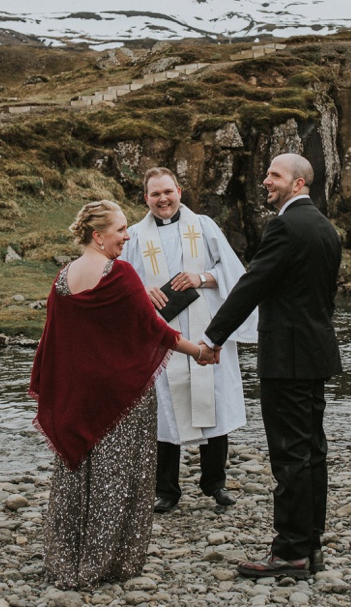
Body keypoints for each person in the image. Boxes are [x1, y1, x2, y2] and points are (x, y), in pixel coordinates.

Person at [29, 200, 210, 590]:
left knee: (76, 475)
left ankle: (65, 559)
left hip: (79, 396)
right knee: (117, 477)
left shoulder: (63, 278)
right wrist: (198, 351)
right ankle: (107, 562)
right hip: (120, 396)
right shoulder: (121, 274)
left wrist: (58, 392)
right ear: (98, 236)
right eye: (122, 230)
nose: (128, 236)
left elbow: (55, 341)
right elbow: (153, 330)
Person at [198, 154, 342, 579]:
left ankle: (291, 552)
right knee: (313, 450)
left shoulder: (285, 226)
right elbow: (324, 297)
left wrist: (211, 337)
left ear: (298, 183)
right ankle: (311, 543)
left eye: (274, 175)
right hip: (316, 352)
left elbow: (252, 284)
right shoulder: (325, 228)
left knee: (290, 454)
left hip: (286, 358)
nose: (265, 181)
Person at [120, 167, 257, 513]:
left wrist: (202, 276)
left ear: (179, 190)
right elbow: (119, 279)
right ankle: (167, 490)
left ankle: (215, 483)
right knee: (165, 412)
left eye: (168, 191)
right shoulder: (134, 236)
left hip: (205, 331)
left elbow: (233, 271)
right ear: (145, 199)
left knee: (213, 405)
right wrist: (141, 290)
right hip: (161, 337)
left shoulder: (204, 226)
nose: (163, 199)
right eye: (155, 194)